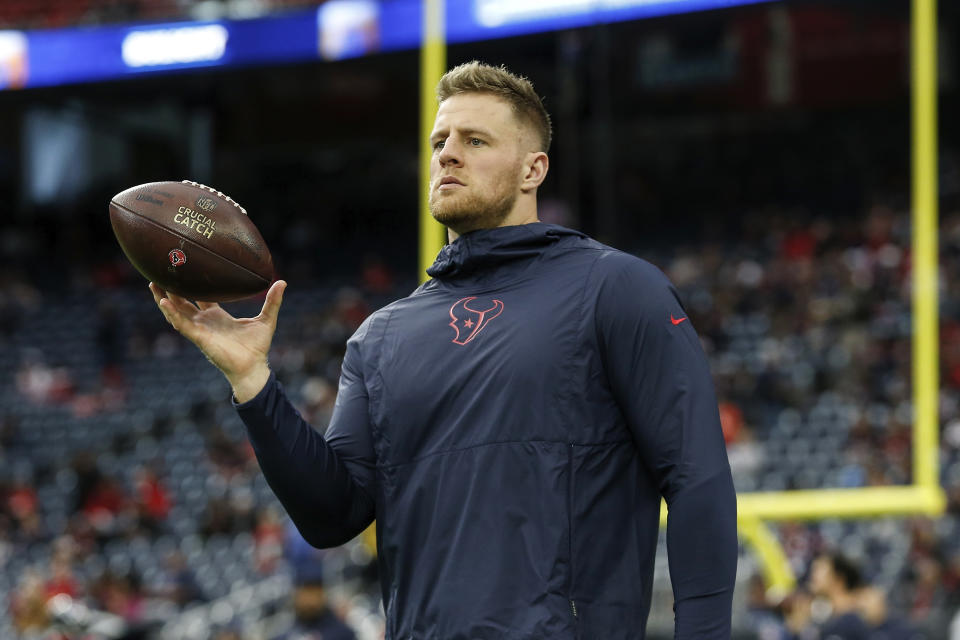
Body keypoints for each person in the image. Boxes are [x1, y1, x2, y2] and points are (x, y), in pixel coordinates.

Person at [150, 61, 737, 639]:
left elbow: (697, 478)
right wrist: (252, 381)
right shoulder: (381, 336)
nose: (447, 154)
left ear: (534, 169)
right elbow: (333, 517)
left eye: (475, 140)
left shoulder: (616, 288)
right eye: (440, 141)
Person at [809, 553, 871, 639]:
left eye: (819, 570)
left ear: (839, 579)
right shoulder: (828, 618)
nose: (813, 576)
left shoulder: (853, 621)